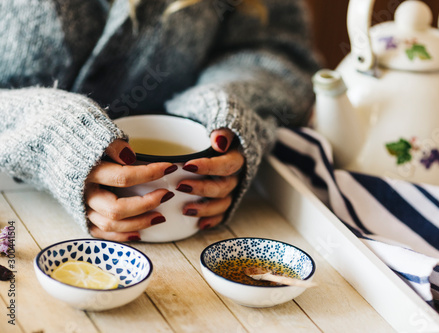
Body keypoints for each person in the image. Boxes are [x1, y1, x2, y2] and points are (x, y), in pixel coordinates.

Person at [0, 0, 320, 242]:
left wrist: (229, 103)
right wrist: (45, 129)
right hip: (17, 228)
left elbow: (276, 50)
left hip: (210, 236)